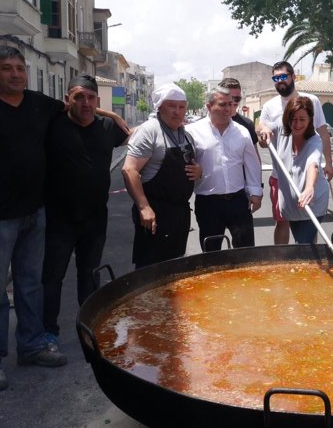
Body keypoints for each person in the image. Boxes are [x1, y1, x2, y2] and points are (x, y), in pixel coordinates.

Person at [0, 46, 69, 391]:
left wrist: (111, 117)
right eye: (6, 68)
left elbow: (75, 107)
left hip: (34, 212)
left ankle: (32, 345)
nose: (15, 74)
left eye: (20, 68)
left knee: (29, 284)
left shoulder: (38, 103)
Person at [42, 75, 129, 347]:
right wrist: (100, 108)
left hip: (94, 219)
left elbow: (131, 134)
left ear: (98, 101)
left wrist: (108, 112)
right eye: (78, 97)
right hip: (59, 219)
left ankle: (88, 327)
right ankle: (48, 332)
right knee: (52, 278)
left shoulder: (107, 127)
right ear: (68, 99)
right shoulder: (53, 125)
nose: (85, 103)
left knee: (90, 275)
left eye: (91, 98)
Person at [122, 84, 202, 269]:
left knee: (175, 266)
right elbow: (129, 170)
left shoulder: (185, 135)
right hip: (155, 213)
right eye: (171, 106)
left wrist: (199, 172)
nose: (177, 112)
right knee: (151, 270)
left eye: (181, 107)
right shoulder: (150, 130)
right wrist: (144, 207)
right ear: (160, 107)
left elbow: (192, 165)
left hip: (180, 213)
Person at [259, 61, 333, 244]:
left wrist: (329, 164)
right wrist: (263, 132)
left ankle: (309, 258)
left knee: (308, 226)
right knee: (282, 222)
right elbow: (262, 128)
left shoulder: (311, 101)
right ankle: (282, 261)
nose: (280, 81)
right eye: (276, 78)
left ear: (293, 76)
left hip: (307, 176)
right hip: (281, 176)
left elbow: (321, 137)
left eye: (283, 76)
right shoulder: (270, 107)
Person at [187, 87, 263, 250]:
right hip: (208, 204)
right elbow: (185, 164)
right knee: (211, 254)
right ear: (208, 106)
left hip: (238, 202)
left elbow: (252, 163)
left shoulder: (242, 132)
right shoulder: (192, 132)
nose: (228, 109)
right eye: (222, 105)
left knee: (246, 252)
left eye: (231, 104)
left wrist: (256, 192)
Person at [218, 77, 259, 152]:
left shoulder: (248, 124)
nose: (232, 102)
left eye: (237, 98)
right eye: (230, 98)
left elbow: (254, 157)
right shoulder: (205, 125)